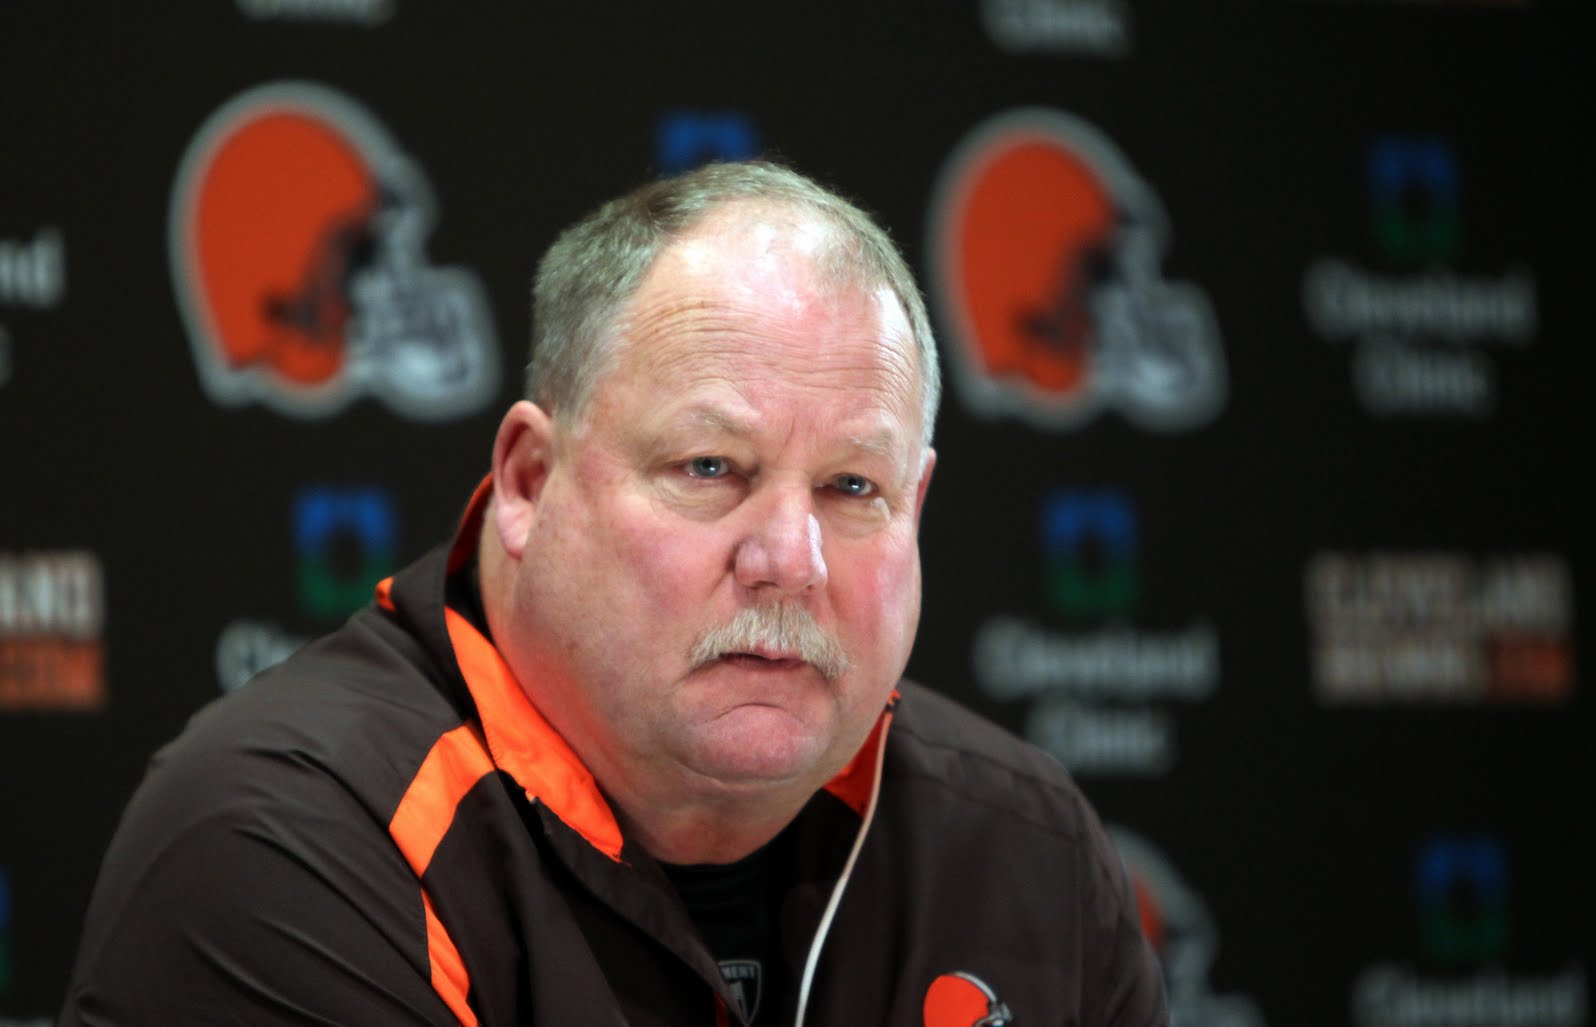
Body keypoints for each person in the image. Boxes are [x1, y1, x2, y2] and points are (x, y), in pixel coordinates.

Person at [60, 161, 1167, 1026]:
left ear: (914, 507)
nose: (791, 558)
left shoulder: (1025, 849)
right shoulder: (284, 842)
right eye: (710, 468)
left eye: (850, 487)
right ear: (528, 482)